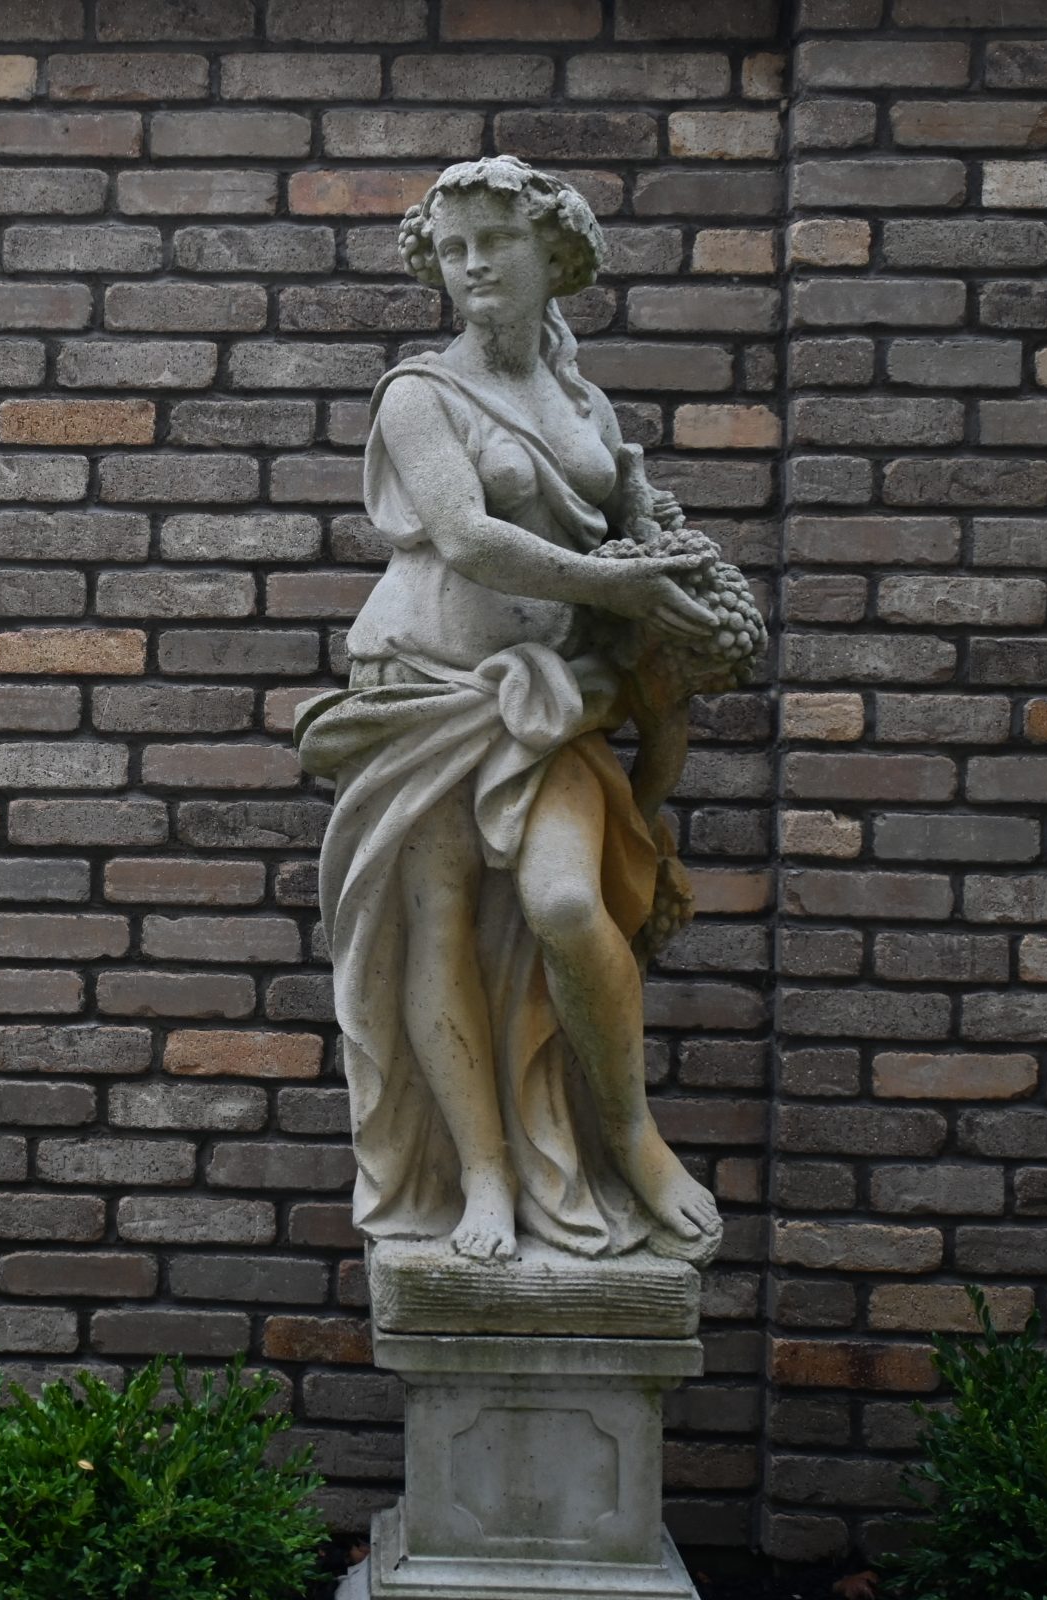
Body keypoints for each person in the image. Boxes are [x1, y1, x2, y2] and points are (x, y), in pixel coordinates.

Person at [295, 157, 730, 1267]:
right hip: (421, 690)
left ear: (554, 255)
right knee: (434, 925)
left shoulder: (585, 404)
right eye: (453, 248)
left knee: (566, 903)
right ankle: (483, 1173)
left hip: (551, 702)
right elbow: (468, 538)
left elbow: (641, 530)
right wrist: (621, 586)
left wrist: (678, 593)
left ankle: (632, 1134)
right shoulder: (417, 395)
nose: (474, 264)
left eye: (496, 240)